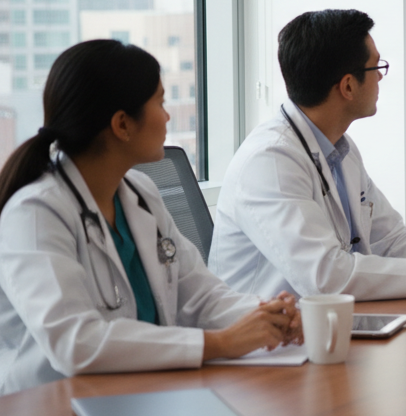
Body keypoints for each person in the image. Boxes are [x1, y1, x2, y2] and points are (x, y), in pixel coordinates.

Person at [0, 40, 302, 395]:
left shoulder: (140, 193)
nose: (168, 116)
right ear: (122, 125)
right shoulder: (35, 214)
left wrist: (266, 316)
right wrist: (218, 344)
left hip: (145, 392)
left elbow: (200, 297)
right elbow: (75, 343)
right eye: (160, 102)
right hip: (53, 412)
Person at [211, 10, 406, 300]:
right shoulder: (270, 162)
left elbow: (391, 238)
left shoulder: (340, 148)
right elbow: (326, 276)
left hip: (327, 328)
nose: (381, 79)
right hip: (266, 343)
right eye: (377, 68)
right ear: (348, 86)